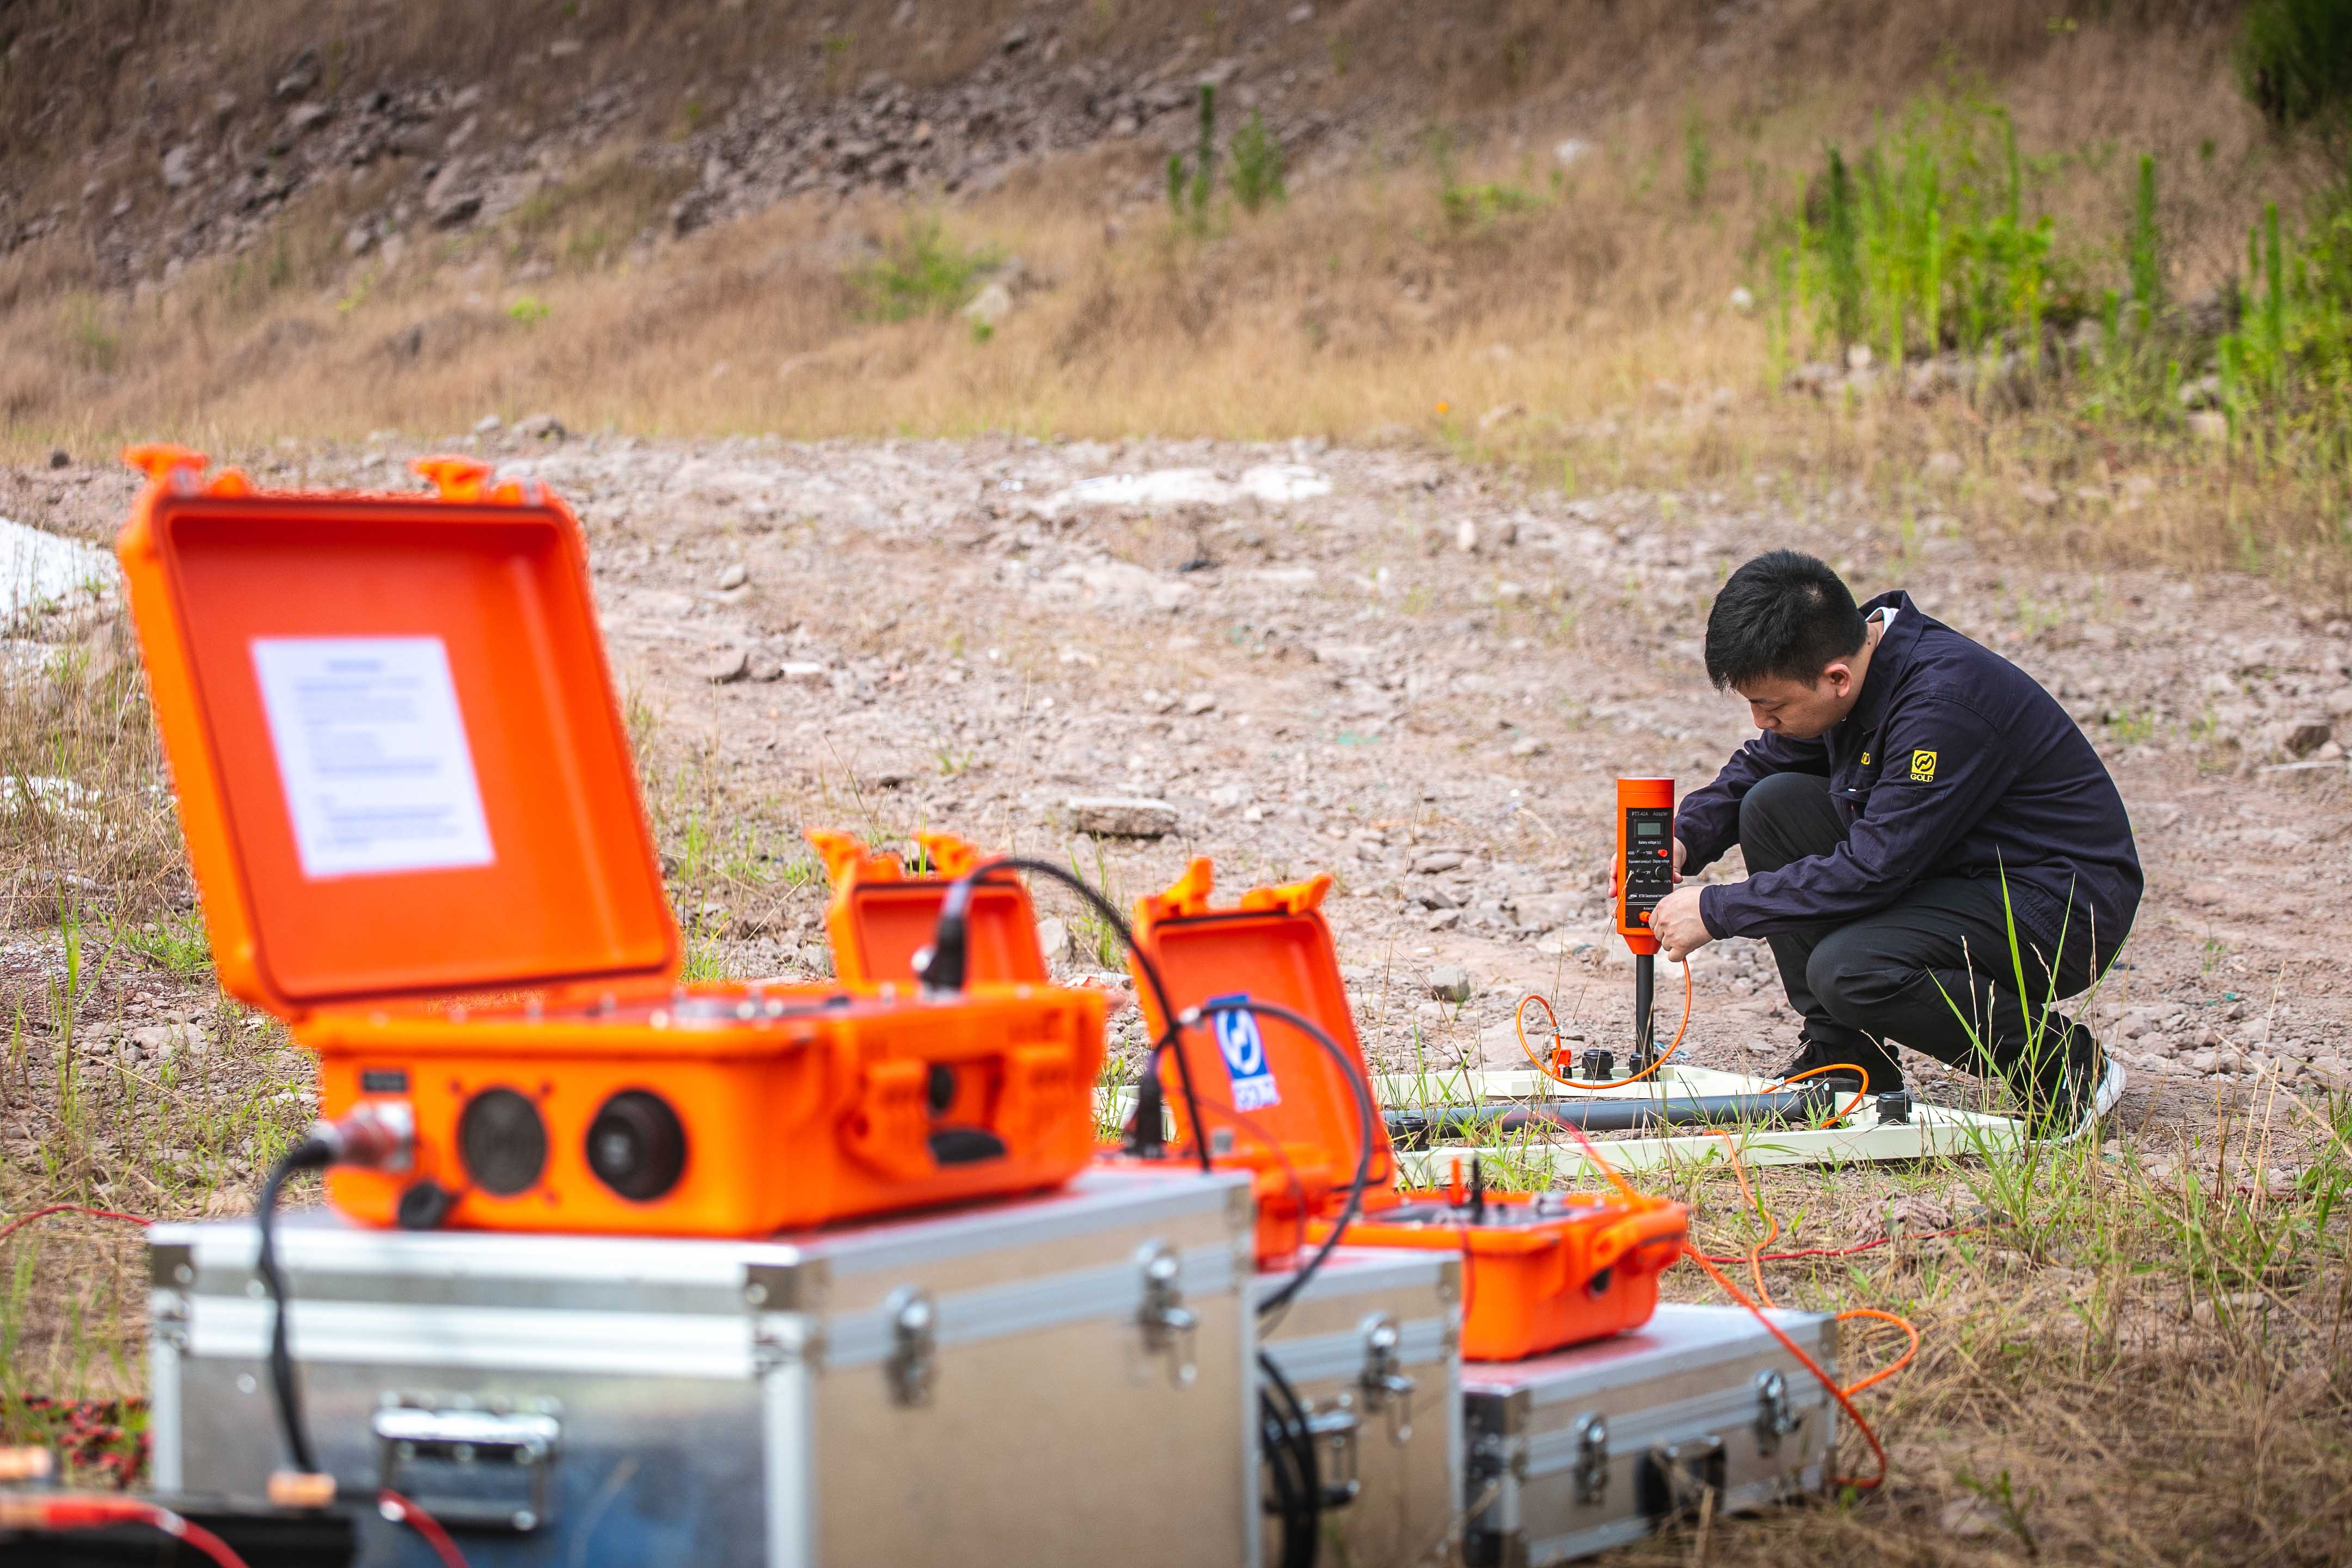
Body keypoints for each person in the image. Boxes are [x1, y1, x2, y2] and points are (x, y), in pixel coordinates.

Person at [1644, 549, 2139, 1134]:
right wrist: (1681, 839)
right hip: (1961, 867)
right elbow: (1762, 766)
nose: (1760, 720)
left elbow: (1874, 869)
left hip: (2058, 906)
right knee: (1773, 806)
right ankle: (1848, 1062)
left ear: (1837, 679)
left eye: (1770, 705)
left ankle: (2065, 1069)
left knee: (1851, 970)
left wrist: (1717, 910)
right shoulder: (1857, 666)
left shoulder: (1941, 705)